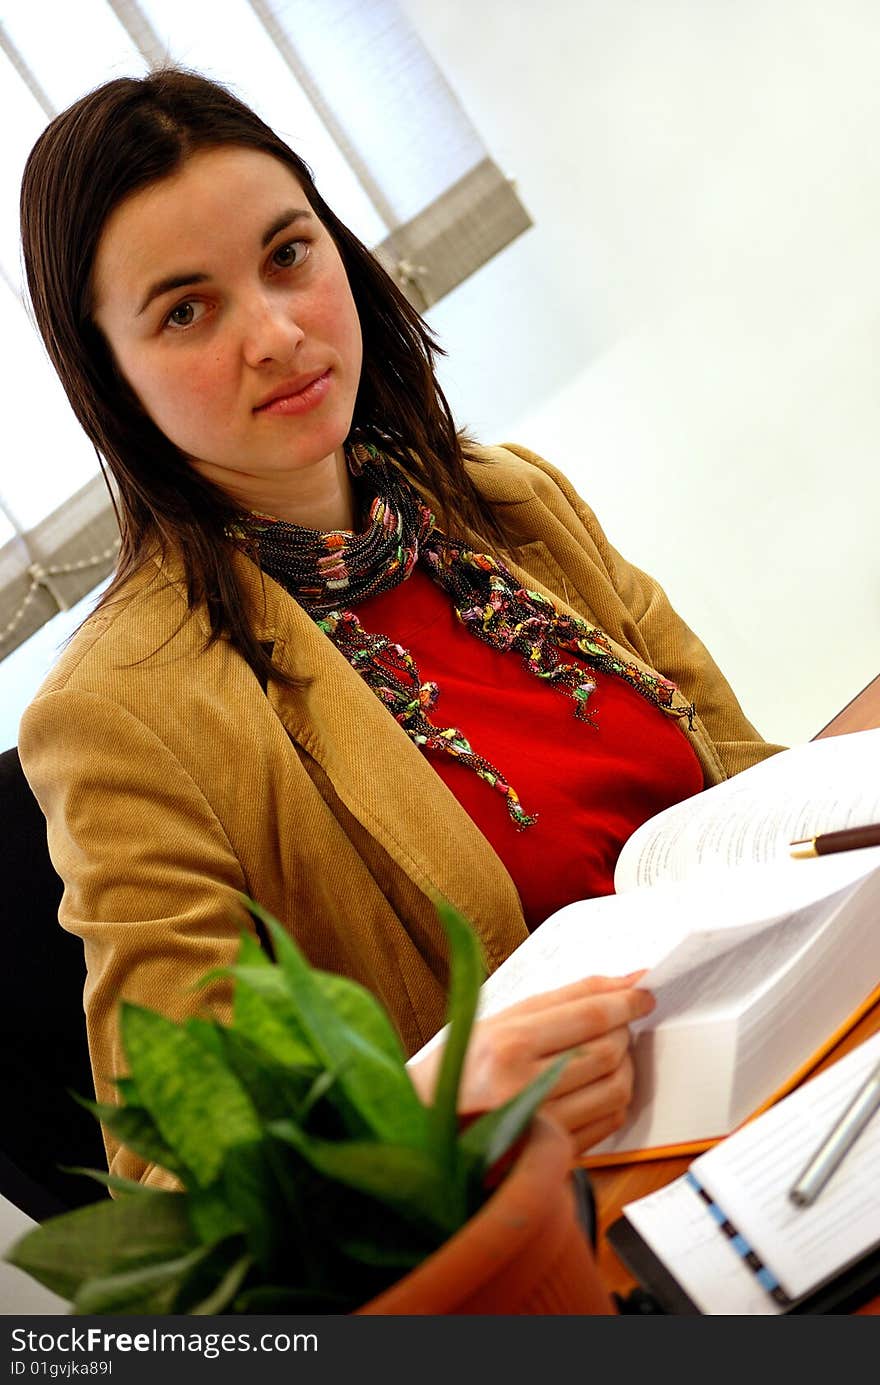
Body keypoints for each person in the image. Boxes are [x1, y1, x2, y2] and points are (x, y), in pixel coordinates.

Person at [17, 68, 779, 1189]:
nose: (275, 334)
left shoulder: (506, 498)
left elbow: (752, 785)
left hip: (782, 1064)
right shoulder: (121, 713)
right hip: (573, 1210)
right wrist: (423, 1106)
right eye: (186, 310)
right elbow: (174, 1167)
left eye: (288, 255)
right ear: (110, 380)